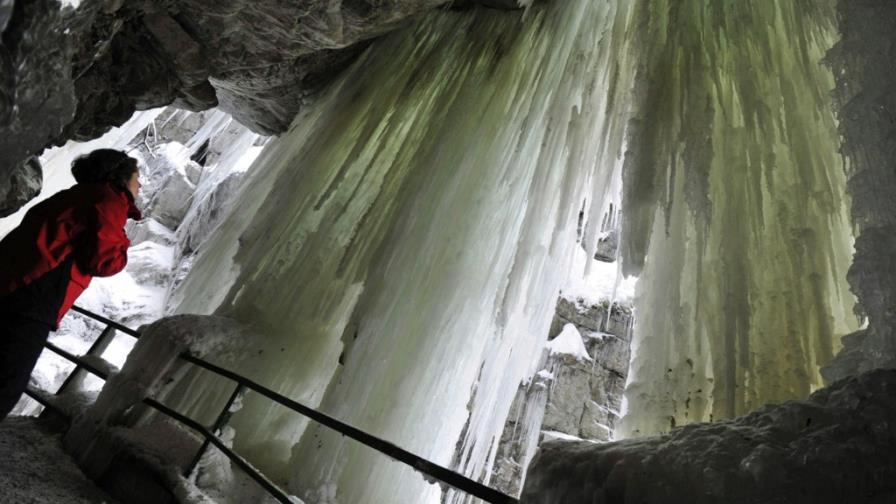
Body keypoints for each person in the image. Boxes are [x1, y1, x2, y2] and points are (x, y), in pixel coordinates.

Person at [0, 149, 142, 419]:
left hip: (13, 284)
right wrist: (124, 241)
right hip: (35, 297)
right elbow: (104, 261)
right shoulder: (108, 201)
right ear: (121, 178)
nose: (140, 184)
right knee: (7, 382)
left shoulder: (71, 196)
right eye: (137, 177)